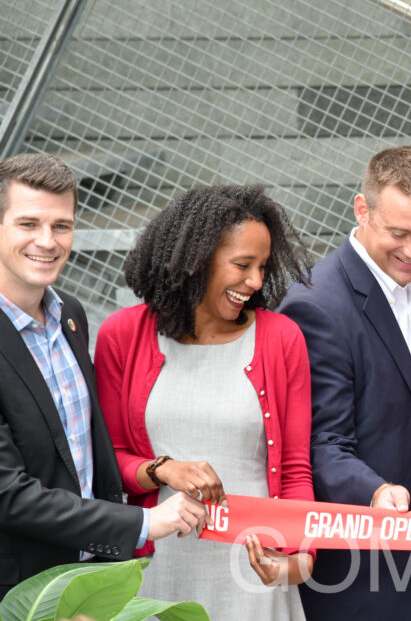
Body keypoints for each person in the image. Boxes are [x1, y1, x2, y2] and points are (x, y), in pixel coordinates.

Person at [94, 184, 315, 618]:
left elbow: (295, 469)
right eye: (242, 265)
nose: (255, 281)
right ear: (197, 261)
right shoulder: (122, 335)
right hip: (157, 572)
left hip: (252, 575)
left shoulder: (281, 339)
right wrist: (164, 469)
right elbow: (110, 461)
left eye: (263, 266)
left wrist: (297, 557)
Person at [0, 153, 207, 598]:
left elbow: (83, 456)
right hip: (20, 593)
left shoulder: (69, 316)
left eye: (62, 225)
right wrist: (145, 523)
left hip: (89, 580)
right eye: (28, 224)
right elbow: (7, 493)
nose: (47, 241)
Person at [277, 146, 411, 621]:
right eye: (398, 233)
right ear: (362, 209)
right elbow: (318, 443)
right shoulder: (316, 305)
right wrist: (375, 492)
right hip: (356, 573)